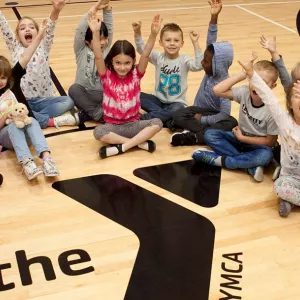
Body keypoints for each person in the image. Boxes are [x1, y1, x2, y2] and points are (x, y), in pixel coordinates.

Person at [192, 57, 280, 182]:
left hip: (258, 146)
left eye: (263, 83)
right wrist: (242, 74)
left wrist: (243, 138)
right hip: (239, 138)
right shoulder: (245, 92)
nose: (257, 86)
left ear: (273, 86)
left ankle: (221, 161)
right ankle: (249, 167)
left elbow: (270, 142)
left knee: (266, 156)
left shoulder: (273, 110)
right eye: (255, 80)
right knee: (210, 134)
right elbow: (217, 90)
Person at [89, 13, 163, 158]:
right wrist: (95, 32)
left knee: (157, 122)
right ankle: (139, 144)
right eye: (118, 63)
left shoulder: (136, 74)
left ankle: (121, 147)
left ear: (133, 61)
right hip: (113, 127)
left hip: (134, 125)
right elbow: (98, 55)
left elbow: (146, 54)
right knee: (98, 132)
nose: (122, 67)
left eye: (127, 63)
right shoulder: (106, 75)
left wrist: (153, 34)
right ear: (111, 62)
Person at [239, 55, 300, 217]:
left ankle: (290, 201)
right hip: (290, 179)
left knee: (283, 192)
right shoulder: (283, 120)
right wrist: (252, 74)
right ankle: (289, 199)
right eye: (297, 96)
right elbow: (268, 96)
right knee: (278, 187)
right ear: (290, 104)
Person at [0, 0, 76, 129]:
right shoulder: (14, 47)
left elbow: (51, 26)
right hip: (23, 100)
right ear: (17, 35)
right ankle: (49, 121)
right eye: (22, 28)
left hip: (44, 99)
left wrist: (56, 10)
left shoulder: (43, 46)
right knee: (17, 110)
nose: (27, 29)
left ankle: (34, 117)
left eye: (31, 27)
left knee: (68, 101)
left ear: (38, 31)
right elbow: (4, 27)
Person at [170, 0, 237, 146]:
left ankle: (196, 135)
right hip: (197, 111)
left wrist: (203, 119)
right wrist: (214, 17)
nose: (202, 63)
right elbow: (210, 41)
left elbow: (224, 114)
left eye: (205, 62)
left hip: (211, 116)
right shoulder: (210, 71)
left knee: (232, 122)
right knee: (178, 113)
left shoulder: (224, 84)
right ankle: (205, 133)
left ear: (216, 65)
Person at [0, 20, 59, 180]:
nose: (1, 81)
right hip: (6, 135)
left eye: (3, 77)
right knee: (13, 127)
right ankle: (27, 163)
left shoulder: (12, 82)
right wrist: (7, 116)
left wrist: (39, 36)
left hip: (25, 131)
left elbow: (26, 55)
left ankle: (47, 159)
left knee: (32, 120)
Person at [132, 7, 202, 128]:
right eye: (168, 40)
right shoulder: (158, 57)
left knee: (177, 109)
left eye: (176, 40)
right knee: (135, 94)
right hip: (157, 100)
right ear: (161, 42)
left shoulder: (184, 60)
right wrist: (137, 32)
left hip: (176, 102)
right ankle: (167, 119)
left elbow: (198, 65)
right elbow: (142, 50)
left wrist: (196, 43)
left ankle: (143, 119)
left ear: (182, 43)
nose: (172, 43)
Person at [69, 0, 113, 124]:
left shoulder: (106, 48)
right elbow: (79, 31)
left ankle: (89, 113)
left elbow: (109, 27)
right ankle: (99, 114)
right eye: (99, 39)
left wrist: (107, 9)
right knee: (73, 89)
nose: (103, 42)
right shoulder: (81, 50)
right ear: (88, 41)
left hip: (103, 94)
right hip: (85, 93)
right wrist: (94, 9)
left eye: (105, 38)